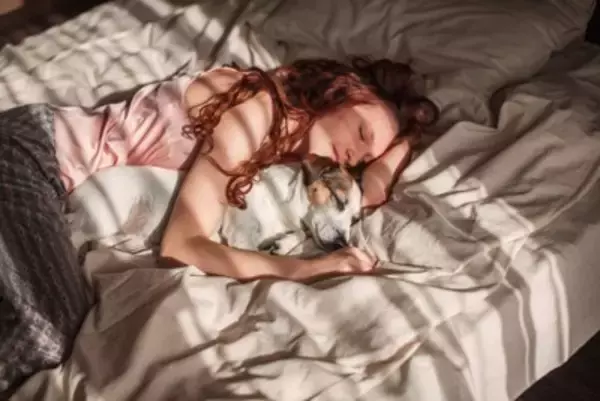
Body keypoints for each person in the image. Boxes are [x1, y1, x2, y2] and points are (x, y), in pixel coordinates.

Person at [0, 56, 438, 397]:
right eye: (361, 133)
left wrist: (404, 142)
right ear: (341, 92)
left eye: (365, 158)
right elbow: (183, 244)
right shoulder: (257, 109)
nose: (355, 157)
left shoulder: (289, 150)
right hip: (31, 151)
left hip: (50, 183)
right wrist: (306, 270)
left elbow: (371, 193)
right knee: (49, 338)